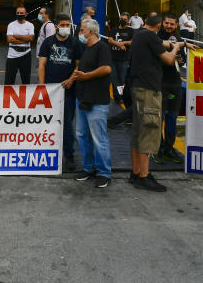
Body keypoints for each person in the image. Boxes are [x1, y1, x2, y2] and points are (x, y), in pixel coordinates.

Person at [128, 11, 183, 192]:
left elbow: (162, 43)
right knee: (148, 133)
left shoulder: (139, 35)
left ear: (145, 21)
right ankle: (144, 176)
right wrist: (175, 49)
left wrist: (172, 43)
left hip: (137, 88)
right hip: (149, 91)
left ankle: (135, 172)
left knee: (137, 133)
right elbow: (168, 59)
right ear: (159, 25)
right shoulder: (151, 37)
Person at [38, 14, 83, 170]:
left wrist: (71, 79)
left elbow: (79, 65)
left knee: (67, 124)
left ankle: (69, 154)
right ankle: (48, 151)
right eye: (63, 24)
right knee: (48, 120)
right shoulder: (48, 42)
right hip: (51, 91)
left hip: (69, 90)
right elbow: (42, 65)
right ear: (56, 26)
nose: (66, 27)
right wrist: (42, 86)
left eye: (67, 24)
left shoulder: (75, 43)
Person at [72, 18, 113, 188]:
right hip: (83, 99)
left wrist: (86, 76)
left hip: (97, 101)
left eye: (82, 30)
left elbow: (107, 68)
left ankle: (104, 172)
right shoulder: (86, 48)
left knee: (98, 137)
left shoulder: (101, 47)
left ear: (90, 31)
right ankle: (88, 167)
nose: (80, 33)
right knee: (82, 135)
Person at [155, 12, 192, 164]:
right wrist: (171, 56)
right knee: (158, 118)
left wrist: (180, 59)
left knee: (172, 117)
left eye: (172, 24)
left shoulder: (179, 40)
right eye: (167, 23)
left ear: (177, 25)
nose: (169, 26)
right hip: (160, 83)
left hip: (175, 84)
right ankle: (156, 149)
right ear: (162, 23)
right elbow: (158, 59)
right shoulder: (155, 38)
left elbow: (182, 61)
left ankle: (169, 149)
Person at [105, 12, 133, 102]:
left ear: (128, 21)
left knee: (122, 79)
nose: (122, 20)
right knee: (114, 79)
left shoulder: (131, 31)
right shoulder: (114, 30)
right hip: (113, 58)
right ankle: (116, 97)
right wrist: (119, 45)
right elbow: (110, 40)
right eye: (121, 19)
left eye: (124, 19)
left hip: (124, 59)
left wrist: (123, 43)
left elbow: (132, 42)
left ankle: (122, 96)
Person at [6, 6, 34, 85]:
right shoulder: (11, 25)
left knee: (26, 80)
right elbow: (9, 39)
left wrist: (16, 36)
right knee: (9, 80)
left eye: (21, 13)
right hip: (12, 55)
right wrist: (25, 39)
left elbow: (31, 38)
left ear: (26, 14)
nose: (19, 14)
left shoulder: (30, 25)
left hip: (26, 54)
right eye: (18, 13)